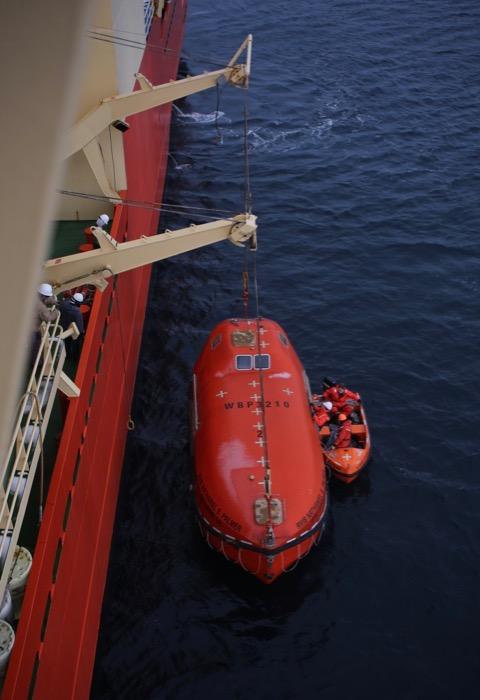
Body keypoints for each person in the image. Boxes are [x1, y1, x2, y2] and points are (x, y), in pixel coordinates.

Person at [58, 292, 85, 358]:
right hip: (72, 329)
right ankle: (76, 357)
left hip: (63, 326)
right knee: (76, 344)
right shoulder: (77, 312)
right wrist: (82, 332)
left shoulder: (64, 303)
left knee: (66, 342)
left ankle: (67, 355)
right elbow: (80, 327)